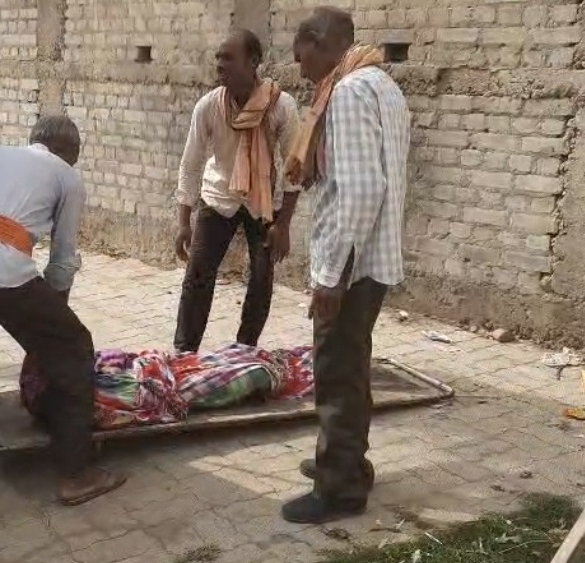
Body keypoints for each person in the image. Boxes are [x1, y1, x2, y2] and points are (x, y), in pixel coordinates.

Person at [0, 115, 126, 505]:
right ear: (72, 152)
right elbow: (62, 261)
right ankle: (77, 474)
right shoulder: (66, 175)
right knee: (74, 349)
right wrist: (50, 336)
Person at [281, 6, 411, 524]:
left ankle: (339, 490)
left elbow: (359, 190)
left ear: (317, 40)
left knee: (336, 371)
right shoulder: (383, 85)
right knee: (352, 366)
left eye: (302, 57)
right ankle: (348, 463)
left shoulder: (350, 91)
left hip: (353, 264)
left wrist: (330, 275)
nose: (302, 70)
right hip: (372, 256)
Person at [173, 29, 301, 354]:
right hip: (219, 196)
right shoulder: (209, 106)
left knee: (261, 278)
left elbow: (294, 168)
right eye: (218, 58)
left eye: (228, 58)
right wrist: (184, 222)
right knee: (198, 275)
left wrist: (284, 224)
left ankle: (244, 351)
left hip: (263, 201)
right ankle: (184, 352)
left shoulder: (281, 106)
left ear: (253, 61)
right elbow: (191, 163)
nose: (220, 64)